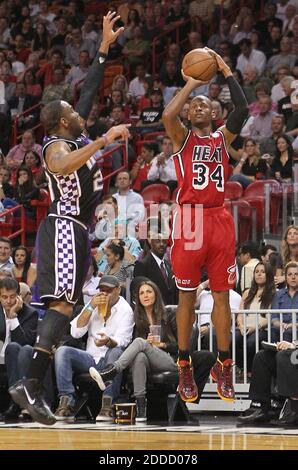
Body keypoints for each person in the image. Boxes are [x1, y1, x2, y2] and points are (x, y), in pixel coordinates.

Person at [9, 11, 130, 426]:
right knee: (61, 303)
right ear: (63, 122)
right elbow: (62, 168)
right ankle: (31, 384)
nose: (82, 113)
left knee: (66, 305)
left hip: (75, 230)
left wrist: (103, 47)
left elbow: (90, 92)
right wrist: (103, 138)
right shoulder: (54, 147)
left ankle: (31, 385)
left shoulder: (73, 134)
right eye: (74, 114)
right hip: (62, 225)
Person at [162, 47, 248, 403]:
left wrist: (225, 68)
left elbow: (241, 109)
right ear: (188, 112)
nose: (199, 108)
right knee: (185, 294)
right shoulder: (182, 137)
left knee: (221, 295)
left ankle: (224, 365)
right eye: (193, 105)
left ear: (214, 113)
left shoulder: (222, 139)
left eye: (205, 105)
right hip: (190, 220)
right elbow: (168, 114)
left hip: (218, 218)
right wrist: (191, 83)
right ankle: (184, 365)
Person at [89, 280, 216, 422]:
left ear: (156, 294)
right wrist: (146, 343)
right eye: (142, 293)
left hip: (170, 359)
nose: (145, 295)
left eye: (149, 291)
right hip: (148, 361)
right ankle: (141, 407)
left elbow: (182, 345)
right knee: (140, 356)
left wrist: (162, 344)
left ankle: (112, 370)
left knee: (140, 343)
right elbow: (133, 348)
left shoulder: (170, 314)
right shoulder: (137, 319)